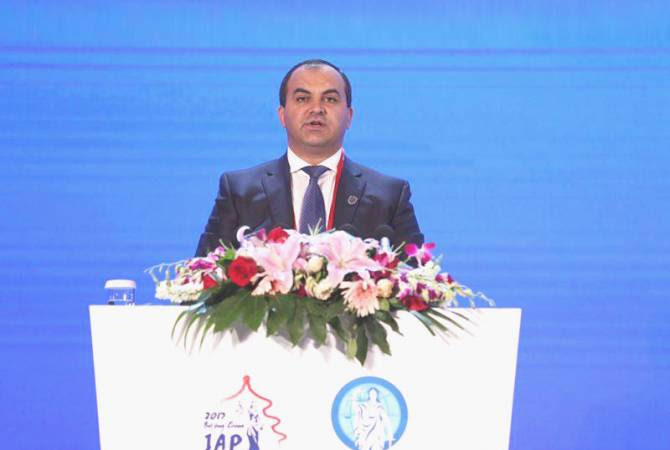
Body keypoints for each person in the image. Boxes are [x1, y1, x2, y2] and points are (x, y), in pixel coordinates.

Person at [195, 59, 423, 257]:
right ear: (282, 115)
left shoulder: (389, 195)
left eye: (330, 99)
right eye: (303, 99)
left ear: (349, 116)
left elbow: (416, 279)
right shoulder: (239, 190)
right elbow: (203, 274)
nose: (316, 109)